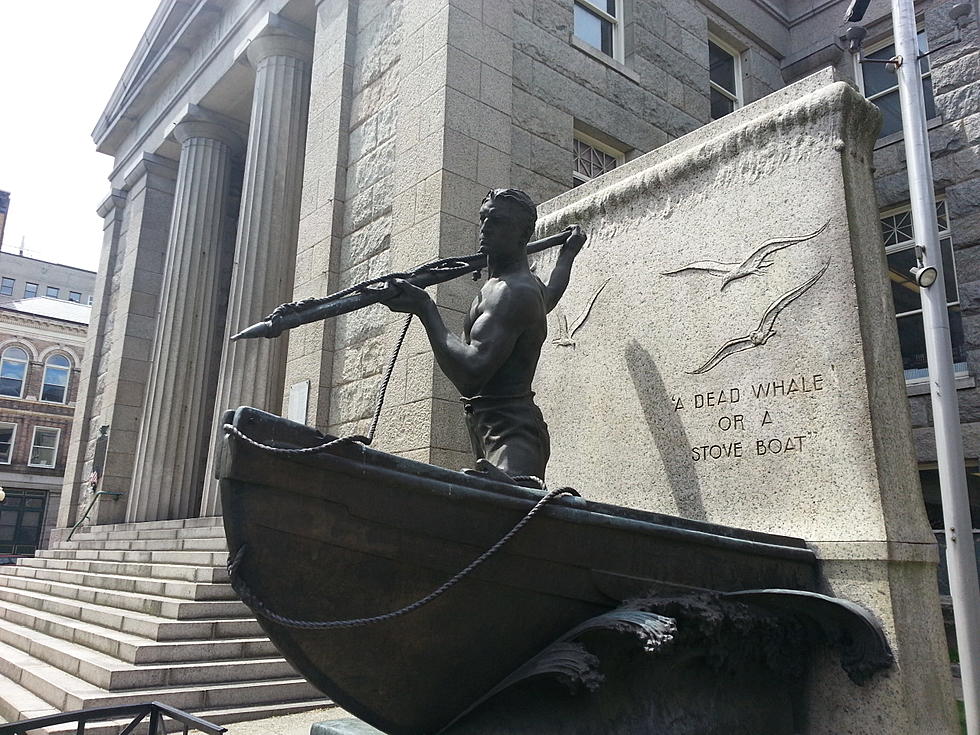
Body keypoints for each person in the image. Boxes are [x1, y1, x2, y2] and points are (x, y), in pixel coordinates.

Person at [383, 189, 586, 480]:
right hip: (490, 429)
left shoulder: (511, 292)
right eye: (483, 218)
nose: (486, 227)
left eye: (498, 221)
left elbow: (470, 374)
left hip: (512, 440)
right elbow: (552, 293)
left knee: (508, 516)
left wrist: (425, 308)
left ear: (522, 234)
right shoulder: (521, 286)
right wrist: (568, 254)